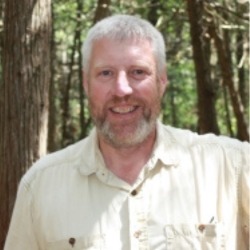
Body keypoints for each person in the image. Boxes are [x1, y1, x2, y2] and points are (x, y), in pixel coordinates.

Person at [4, 14, 249, 250]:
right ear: (86, 83)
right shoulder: (40, 187)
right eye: (106, 73)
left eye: (138, 72)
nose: (122, 89)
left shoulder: (232, 167)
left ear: (161, 80)